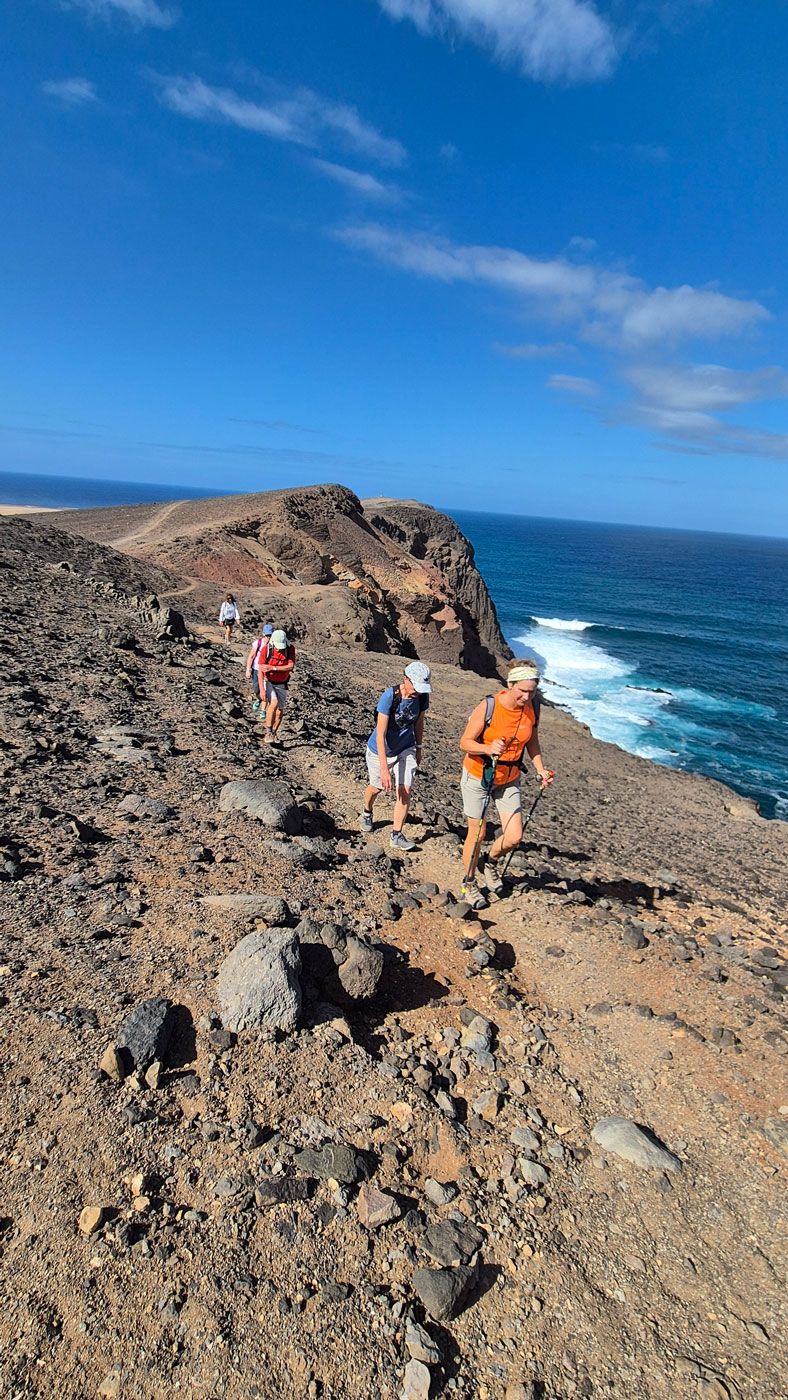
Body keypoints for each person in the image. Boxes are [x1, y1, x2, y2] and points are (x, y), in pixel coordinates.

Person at [458, 658, 554, 909]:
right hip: (480, 775)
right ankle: (468, 883)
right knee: (477, 834)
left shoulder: (533, 707)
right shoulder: (489, 706)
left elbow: (531, 740)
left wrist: (541, 769)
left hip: (510, 778)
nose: (526, 696)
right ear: (509, 684)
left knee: (514, 837)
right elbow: (465, 742)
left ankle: (489, 863)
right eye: (522, 690)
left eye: (531, 691)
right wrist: (488, 748)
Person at [361, 661, 432, 852]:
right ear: (405, 680)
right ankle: (367, 812)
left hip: (405, 747)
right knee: (376, 788)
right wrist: (385, 769)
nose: (418, 690)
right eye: (415, 685)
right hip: (380, 749)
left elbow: (418, 723)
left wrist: (418, 747)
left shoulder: (422, 698)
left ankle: (396, 834)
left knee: (404, 790)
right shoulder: (389, 696)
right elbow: (380, 733)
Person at [261, 628, 296, 744]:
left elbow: (290, 666)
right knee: (274, 703)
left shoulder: (289, 649)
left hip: (282, 683)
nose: (280, 650)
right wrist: (261, 689)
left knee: (280, 710)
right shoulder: (266, 649)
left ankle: (274, 732)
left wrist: (273, 668)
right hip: (268, 681)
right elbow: (260, 670)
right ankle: (268, 731)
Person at [245, 624, 273, 710]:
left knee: (265, 690)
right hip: (256, 669)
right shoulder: (258, 643)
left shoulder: (273, 645)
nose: (268, 637)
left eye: (270, 635)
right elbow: (251, 656)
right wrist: (248, 670)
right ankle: (259, 699)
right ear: (263, 634)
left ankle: (263, 710)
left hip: (267, 670)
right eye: (267, 635)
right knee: (257, 689)